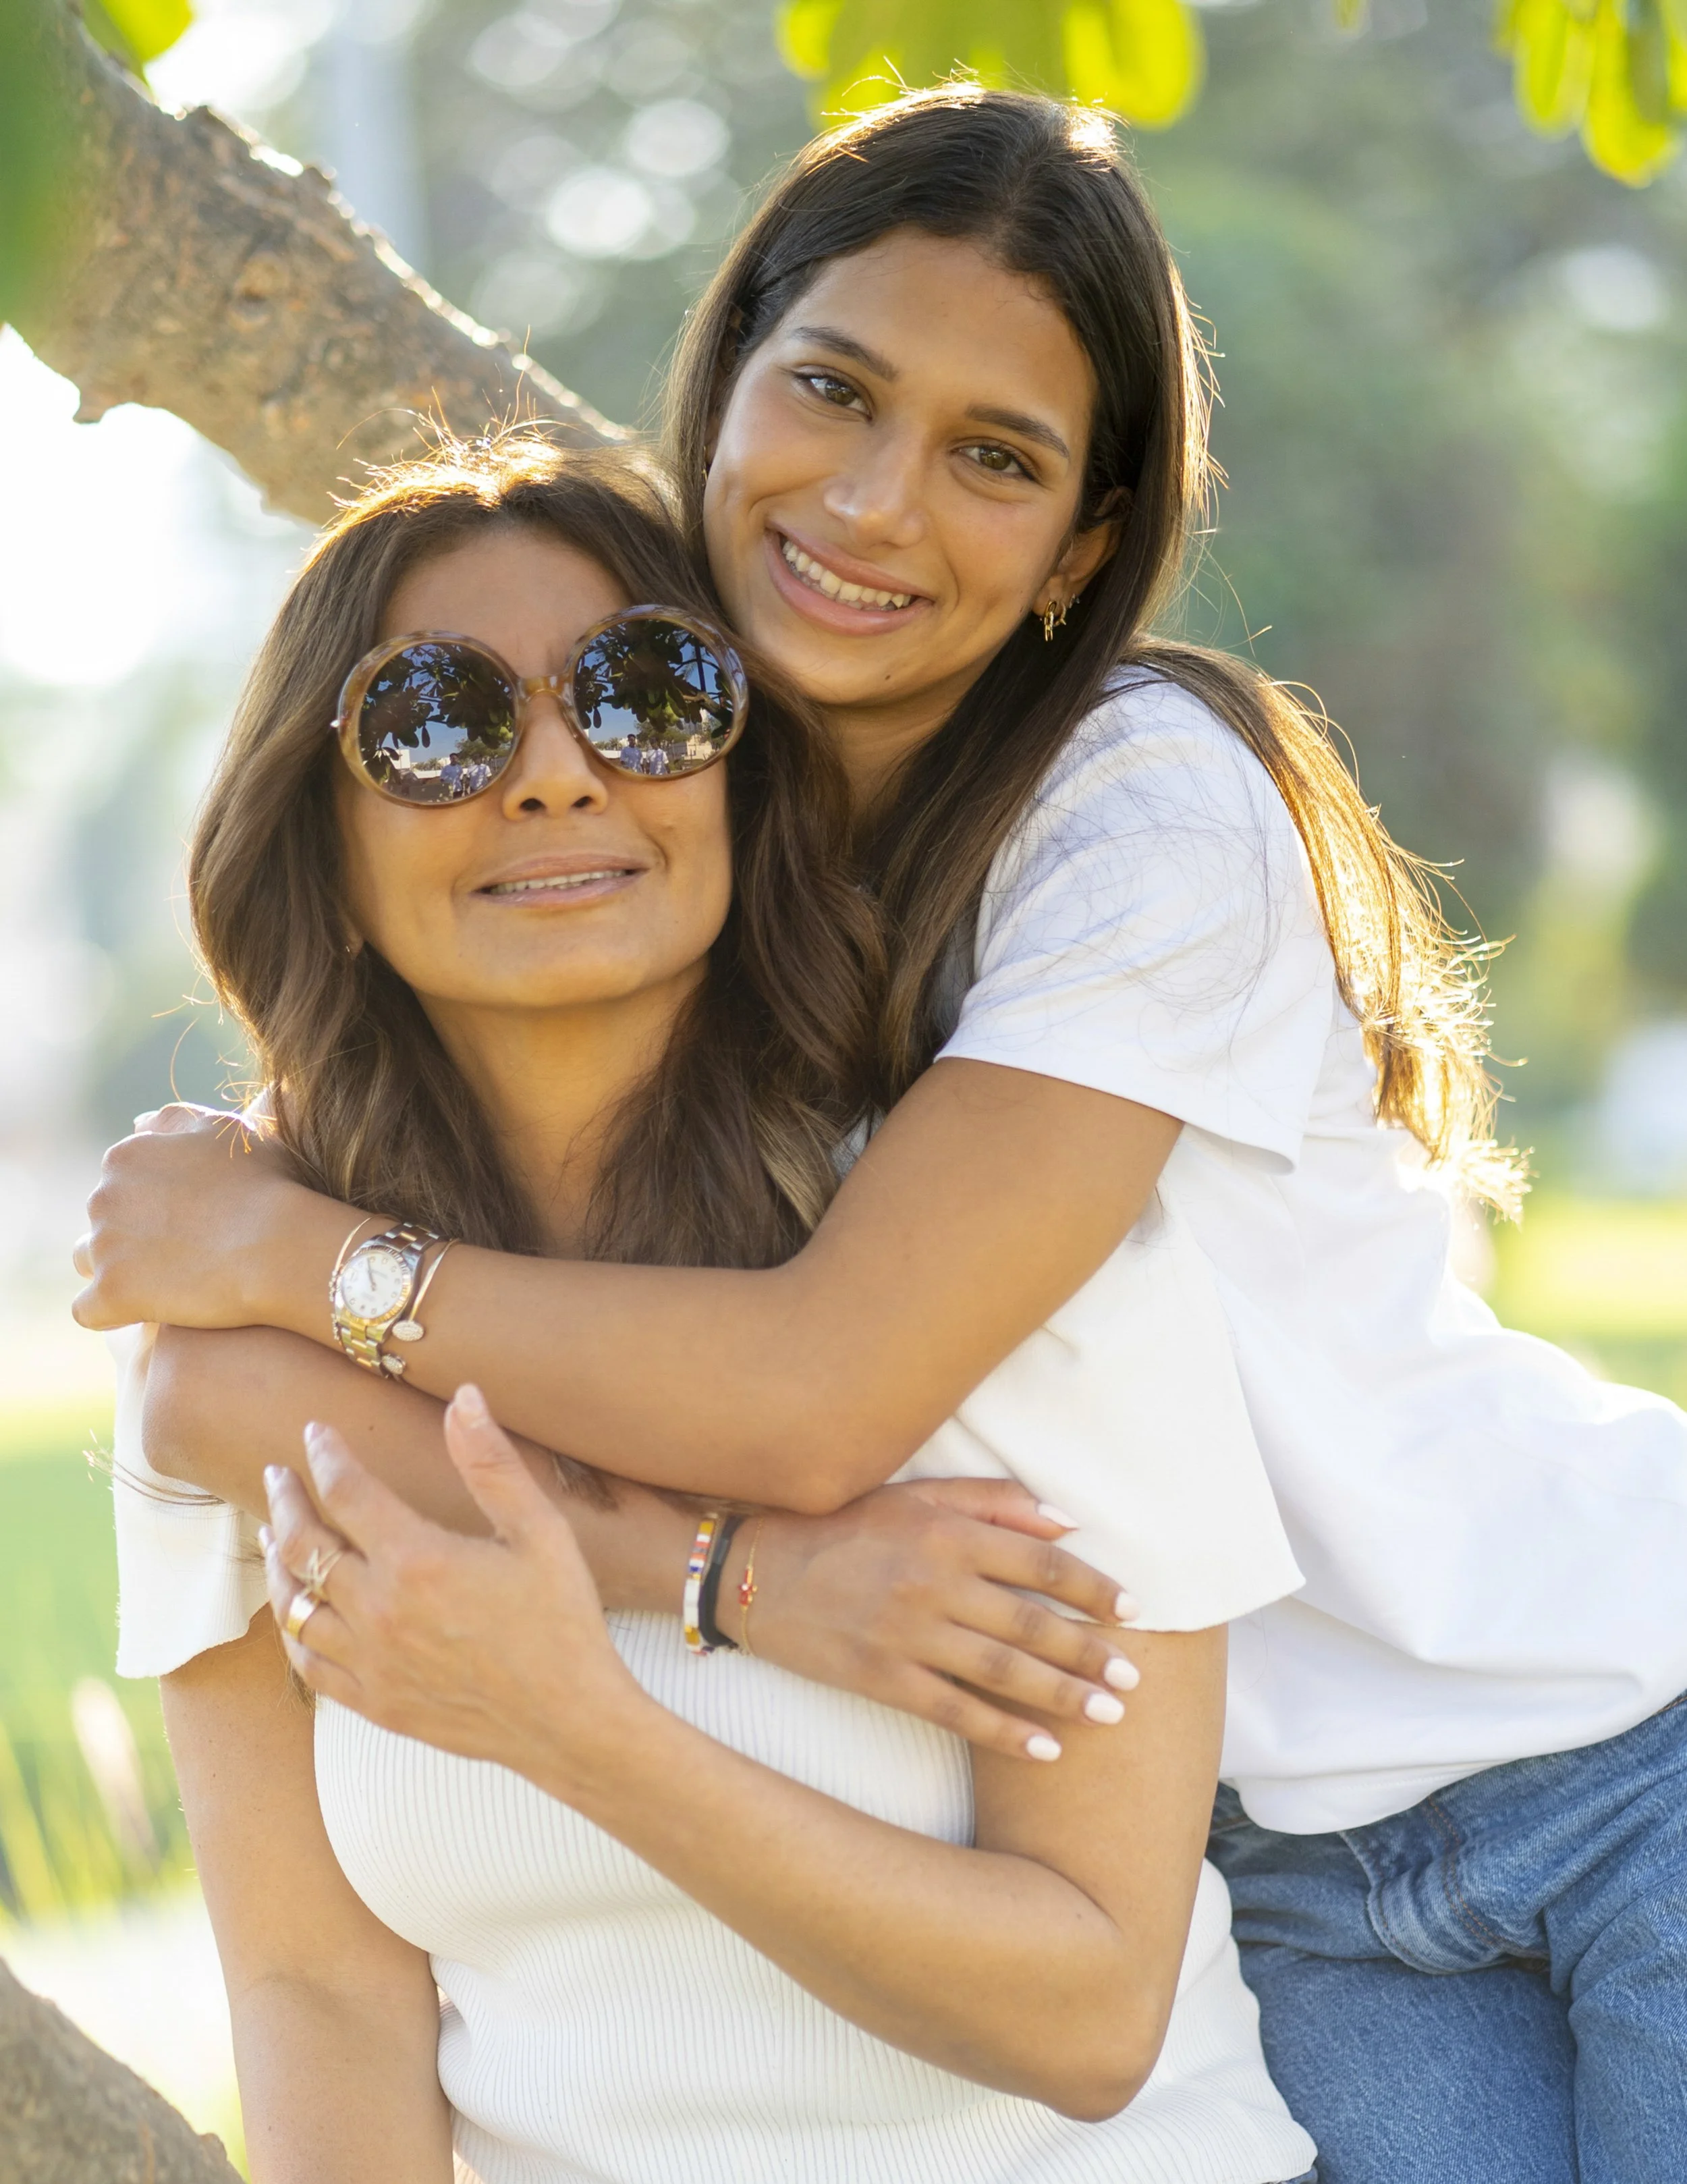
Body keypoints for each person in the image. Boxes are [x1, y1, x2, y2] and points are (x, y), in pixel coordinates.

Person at [76, 86, 1687, 2183]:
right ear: (721, 376)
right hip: (1282, 1866)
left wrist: (292, 1279)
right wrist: (223, 1360)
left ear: (1082, 550)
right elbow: (220, 1411)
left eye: (995, 459)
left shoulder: (1135, 815)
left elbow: (821, 1392)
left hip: (1603, 1731)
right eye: (829, 389)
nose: (871, 502)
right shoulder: (725, 863)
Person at [107, 433, 1315, 2184]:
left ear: (748, 786)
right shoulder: (239, 1352)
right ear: (325, 848)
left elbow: (1087, 2011)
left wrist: (573, 1721)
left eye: (645, 695)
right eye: (436, 722)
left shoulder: (976, 1277)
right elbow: (316, 1992)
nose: (552, 776)